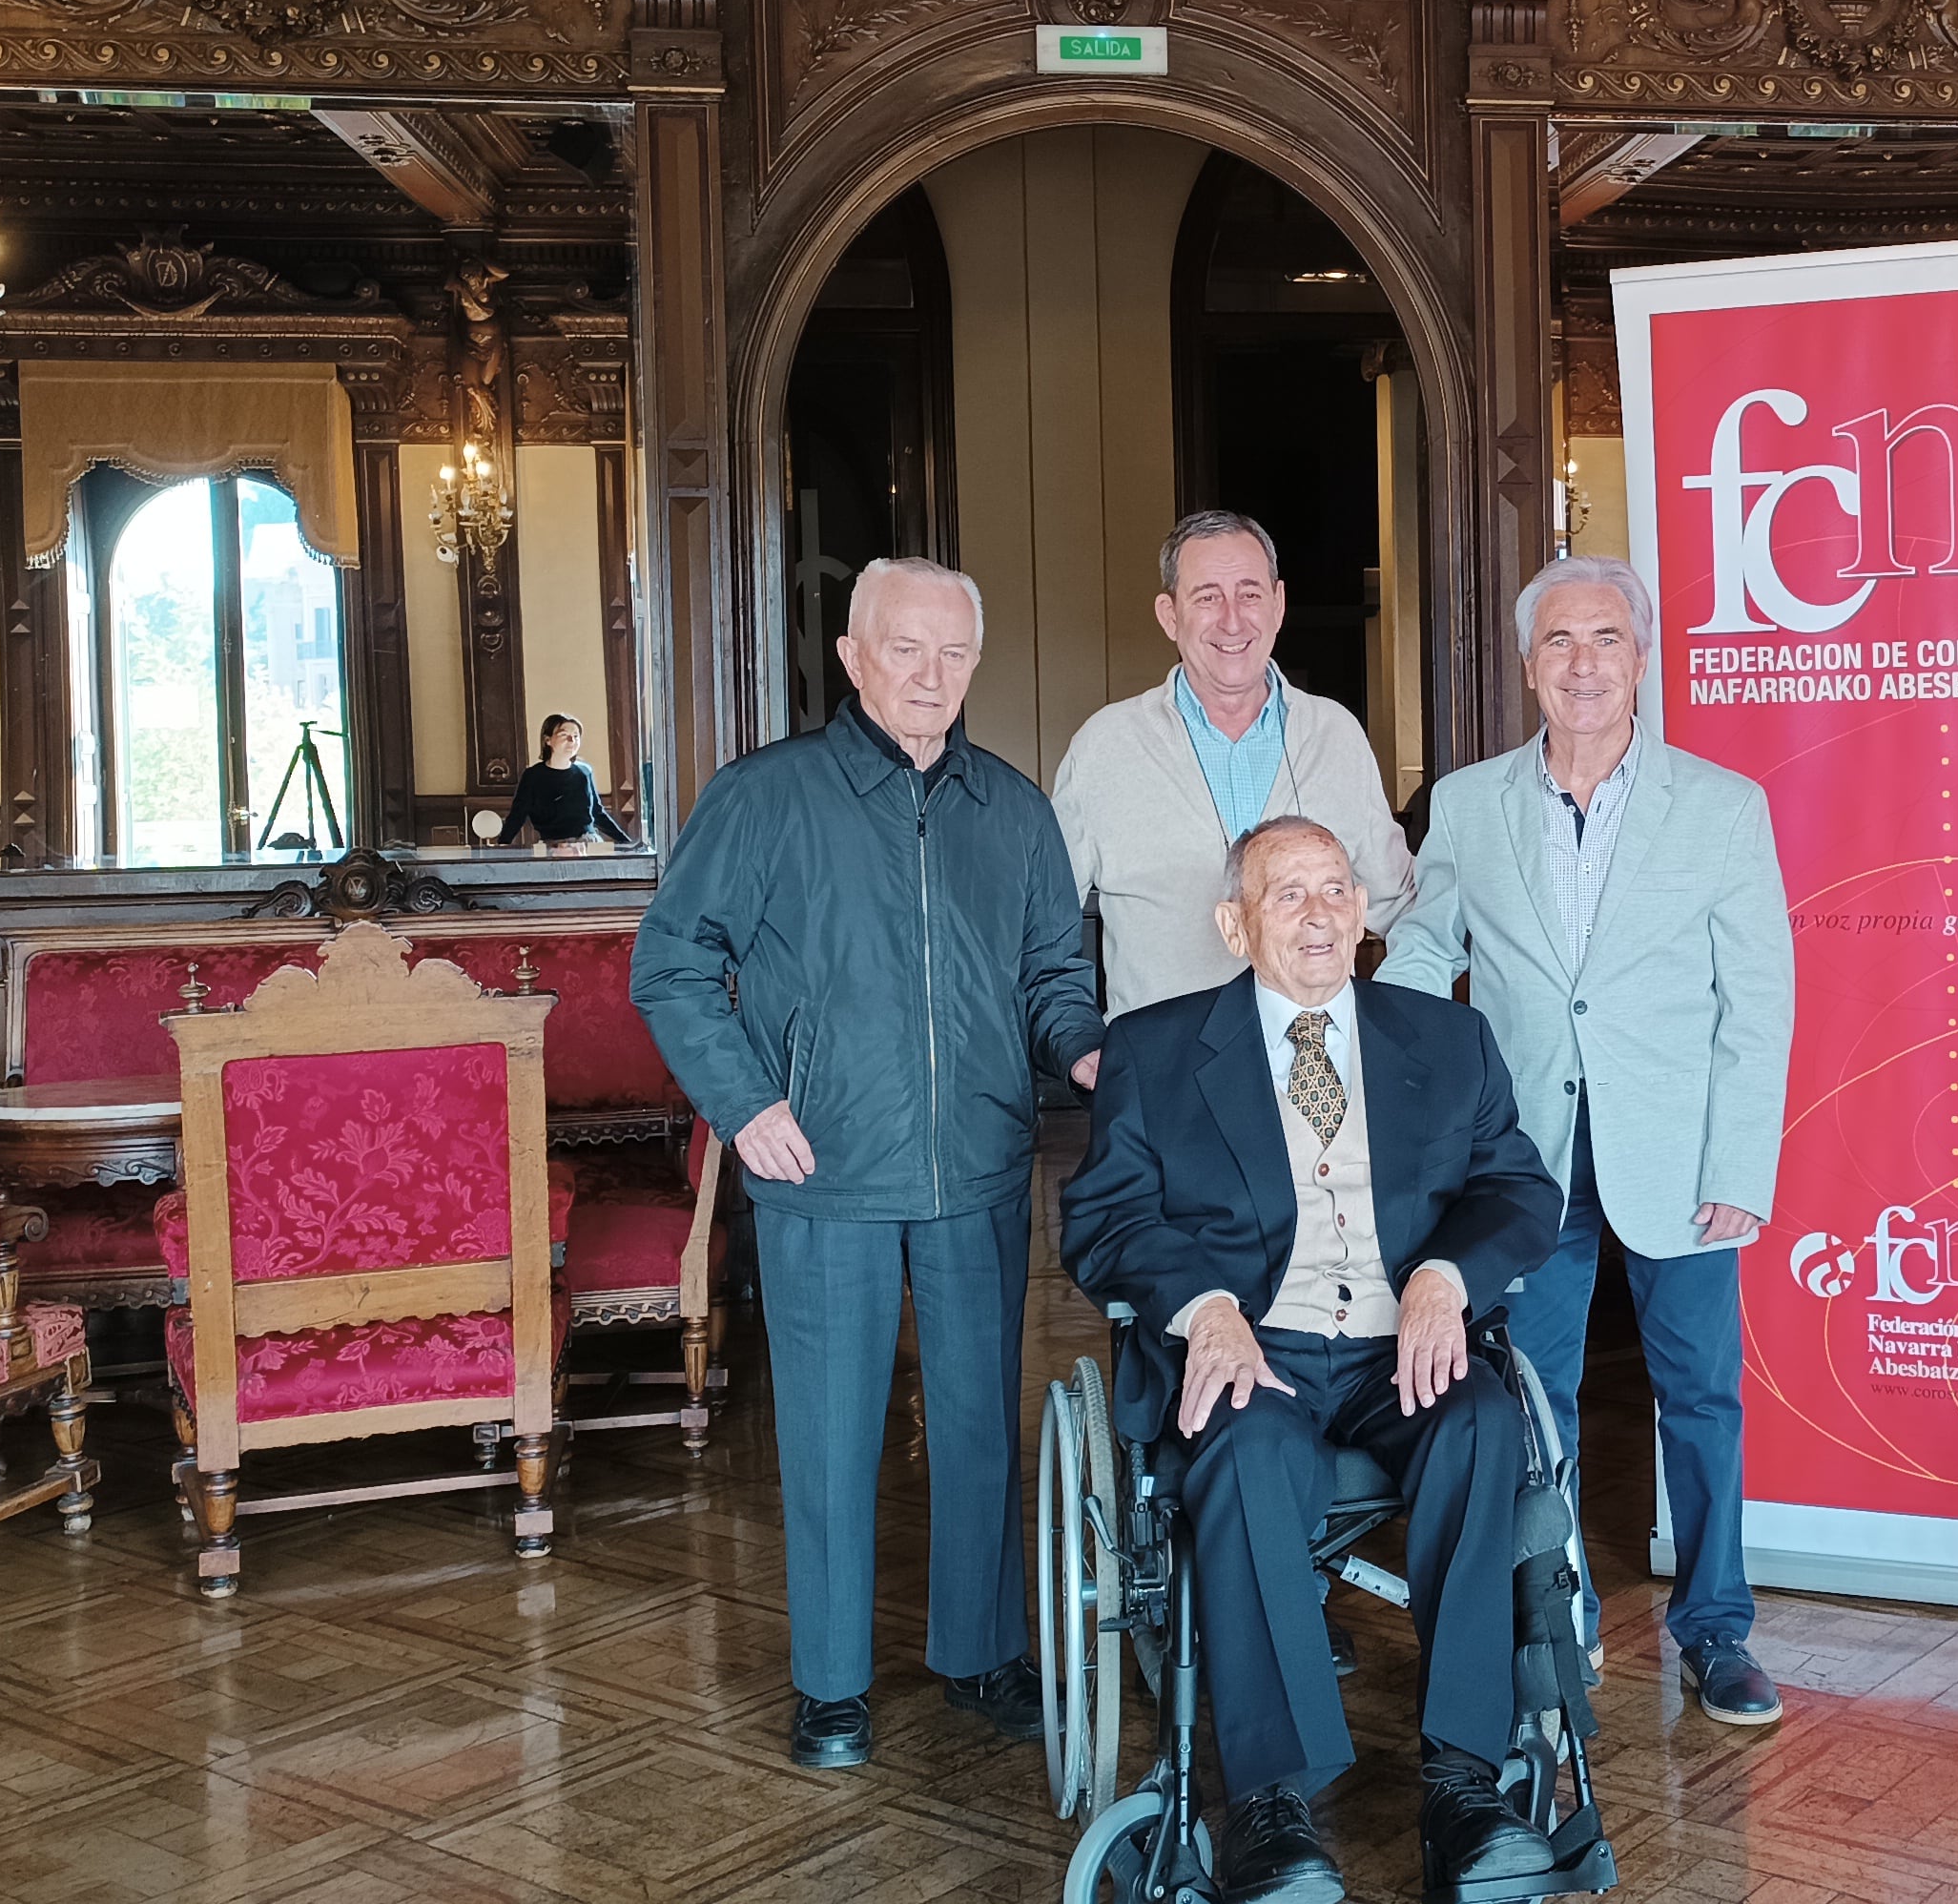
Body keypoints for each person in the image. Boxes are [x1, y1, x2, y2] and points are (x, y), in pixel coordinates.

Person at [630, 556, 1105, 1771]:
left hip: (982, 1165)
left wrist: (1086, 1053)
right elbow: (673, 967)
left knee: (980, 1426)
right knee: (831, 1435)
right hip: (822, 1171)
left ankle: (981, 1651)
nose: (931, 677)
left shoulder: (1015, 810)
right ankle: (831, 1683)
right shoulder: (765, 797)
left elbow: (1056, 976)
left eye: (954, 655)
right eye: (907, 650)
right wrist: (743, 1106)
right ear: (851, 656)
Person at [1063, 817, 1565, 1904]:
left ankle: (1466, 1787)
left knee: (1483, 1424)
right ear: (1234, 925)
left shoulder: (1444, 1041)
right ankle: (1273, 1806)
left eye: (1335, 888)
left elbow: (1520, 1191)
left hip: (1407, 1345)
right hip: (1255, 1349)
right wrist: (1201, 1309)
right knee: (1245, 1452)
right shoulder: (1156, 1051)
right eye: (1287, 895)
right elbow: (1103, 1218)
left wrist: (1447, 1277)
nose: (1320, 913)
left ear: (1364, 908)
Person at [1376, 554, 1795, 1728]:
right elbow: (1424, 947)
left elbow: (1758, 1002)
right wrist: (1370, 1035)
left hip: (1680, 1156)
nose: (1583, 665)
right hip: (1522, 1161)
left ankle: (1715, 1632)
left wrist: (1739, 1169)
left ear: (1641, 659)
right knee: (1531, 1395)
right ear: (1528, 667)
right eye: (1559, 643)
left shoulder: (1722, 807)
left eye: (1606, 640)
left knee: (1701, 1397)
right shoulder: (1466, 803)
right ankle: (1547, 1622)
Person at [1054, 509, 1415, 1019]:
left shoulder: (1336, 735)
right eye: (1206, 597)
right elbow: (1040, 929)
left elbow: (1400, 907)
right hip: (1167, 1075)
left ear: (1278, 605)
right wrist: (1076, 1041)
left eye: (1249, 593)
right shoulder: (1105, 747)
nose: (1231, 619)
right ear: (1169, 615)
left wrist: (1393, 1026)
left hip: (1314, 1071)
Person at [493, 714, 637, 846]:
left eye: (576, 736)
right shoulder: (533, 776)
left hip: (588, 843)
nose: (572, 741)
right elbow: (518, 815)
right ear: (547, 740)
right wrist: (502, 845)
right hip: (554, 846)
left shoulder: (584, 772)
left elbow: (597, 812)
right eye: (564, 735)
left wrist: (626, 843)